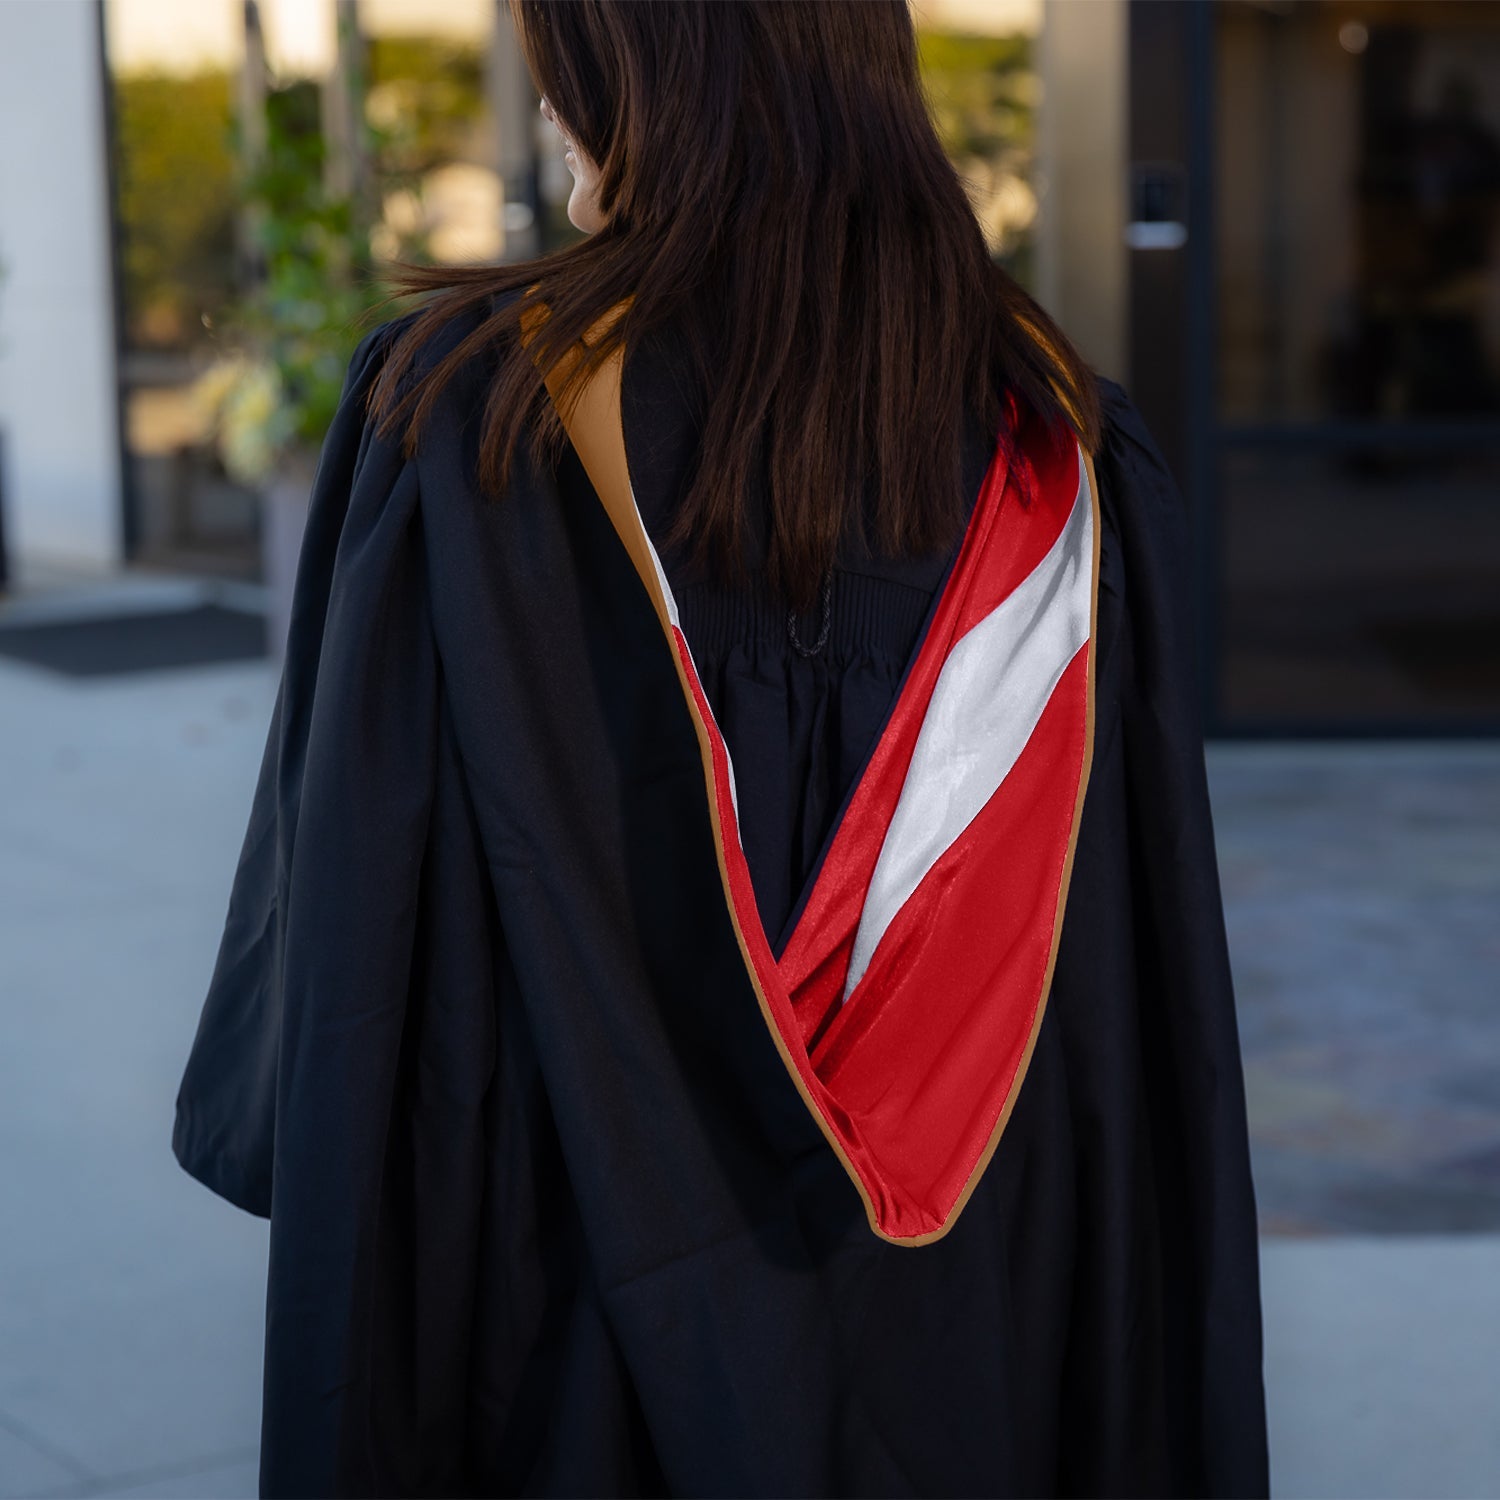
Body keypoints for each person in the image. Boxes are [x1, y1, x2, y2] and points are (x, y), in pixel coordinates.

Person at [172, 2, 1268, 1495]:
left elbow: (357, 949)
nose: (547, 103)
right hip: (987, 1317)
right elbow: (1136, 1009)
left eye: (566, 55)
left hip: (564, 1312)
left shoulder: (471, 423)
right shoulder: (1057, 442)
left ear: (654, 70)